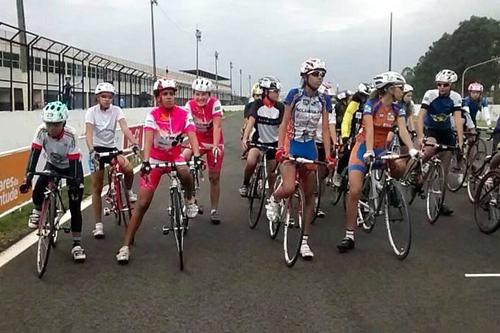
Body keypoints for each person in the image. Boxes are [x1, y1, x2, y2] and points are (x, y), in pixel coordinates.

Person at [116, 78, 201, 264]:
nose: (169, 98)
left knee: (185, 172)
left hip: (175, 157)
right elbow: (147, 138)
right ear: (158, 97)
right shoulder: (152, 114)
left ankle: (189, 199)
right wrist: (146, 161)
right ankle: (125, 246)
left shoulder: (183, 113)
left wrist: (197, 154)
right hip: (155, 159)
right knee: (142, 203)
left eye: (172, 94)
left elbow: (192, 135)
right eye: (165, 94)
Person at [337, 71, 418, 253]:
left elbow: (403, 130)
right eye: (400, 87)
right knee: (355, 190)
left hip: (383, 148)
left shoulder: (398, 108)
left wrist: (412, 148)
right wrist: (370, 151)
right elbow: (369, 129)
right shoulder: (371, 105)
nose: (403, 90)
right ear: (390, 89)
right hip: (364, 146)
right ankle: (349, 234)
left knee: (400, 166)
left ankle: (390, 191)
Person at [266, 58, 336, 260]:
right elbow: (284, 122)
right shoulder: (294, 95)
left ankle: (305, 241)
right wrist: (280, 147)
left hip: (310, 148)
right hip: (292, 144)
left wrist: (329, 155)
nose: (319, 78)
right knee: (288, 188)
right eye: (315, 74)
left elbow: (323, 129)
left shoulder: (324, 99)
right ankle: (275, 198)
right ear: (305, 77)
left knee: (309, 195)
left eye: (322, 74)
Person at [21, 101, 86, 262]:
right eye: (49, 124)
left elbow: (74, 162)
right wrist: (28, 176)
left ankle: (77, 244)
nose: (51, 128)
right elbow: (34, 154)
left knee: (75, 204)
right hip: (52, 164)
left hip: (71, 166)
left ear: (63, 123)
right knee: (38, 187)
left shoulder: (71, 135)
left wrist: (75, 182)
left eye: (55, 125)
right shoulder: (41, 131)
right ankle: (37, 210)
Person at [85, 82, 139, 239]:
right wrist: (91, 150)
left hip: (111, 149)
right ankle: (98, 225)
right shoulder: (91, 112)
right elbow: (88, 132)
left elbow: (124, 128)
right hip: (96, 150)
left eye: (109, 97)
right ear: (97, 98)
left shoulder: (117, 110)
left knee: (128, 168)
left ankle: (128, 191)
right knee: (96, 187)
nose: (107, 100)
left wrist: (134, 142)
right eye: (103, 97)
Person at [415, 69, 464, 216]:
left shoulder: (456, 97)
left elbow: (457, 119)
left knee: (444, 170)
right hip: (431, 130)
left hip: (446, 132)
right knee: (429, 150)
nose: (442, 87)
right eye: (439, 84)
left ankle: (440, 202)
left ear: (451, 86)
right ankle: (417, 169)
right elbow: (420, 117)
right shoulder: (430, 95)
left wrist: (460, 141)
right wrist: (420, 136)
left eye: (445, 85)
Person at [183, 78, 224, 224]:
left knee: (214, 177)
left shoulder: (215, 103)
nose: (200, 98)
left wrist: (214, 146)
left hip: (214, 141)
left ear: (209, 94)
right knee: (183, 159)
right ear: (193, 94)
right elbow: (186, 125)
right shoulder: (189, 105)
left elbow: (217, 126)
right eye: (197, 94)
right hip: (197, 140)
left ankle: (214, 210)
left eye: (204, 94)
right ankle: (189, 197)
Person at [240, 76, 284, 198]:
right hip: (258, 142)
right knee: (251, 160)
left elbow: (281, 127)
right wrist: (245, 138)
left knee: (271, 175)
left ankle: (272, 201)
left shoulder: (280, 107)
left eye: (278, 91)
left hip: (273, 144)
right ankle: (246, 184)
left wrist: (281, 146)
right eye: (275, 91)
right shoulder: (257, 105)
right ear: (265, 92)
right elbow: (251, 122)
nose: (277, 94)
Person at [333, 83, 372, 186]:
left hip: (364, 136)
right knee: (347, 154)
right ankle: (338, 173)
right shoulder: (354, 104)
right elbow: (346, 120)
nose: (366, 98)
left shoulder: (372, 105)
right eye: (363, 96)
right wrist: (345, 136)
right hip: (352, 134)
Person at [314, 82, 337, 217]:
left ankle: (316, 201)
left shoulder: (330, 109)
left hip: (323, 143)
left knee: (322, 175)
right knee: (312, 173)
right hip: (311, 142)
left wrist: (335, 142)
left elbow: (331, 126)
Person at [241, 84, 263, 159]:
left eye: (261, 95)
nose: (259, 98)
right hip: (252, 125)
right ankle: (246, 149)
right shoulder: (249, 106)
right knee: (244, 130)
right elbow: (246, 119)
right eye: (257, 95)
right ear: (253, 96)